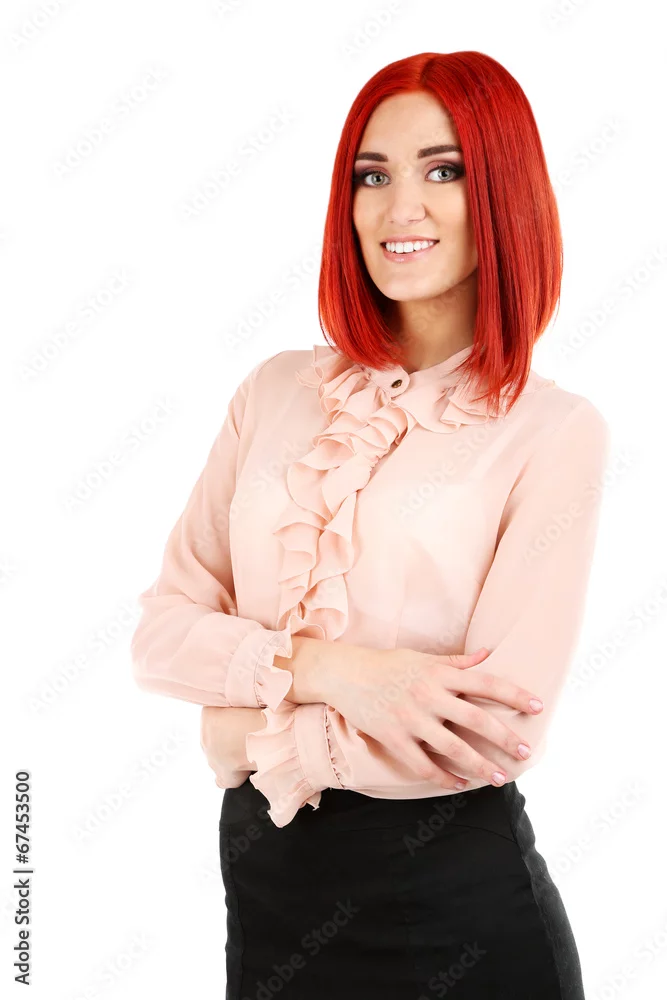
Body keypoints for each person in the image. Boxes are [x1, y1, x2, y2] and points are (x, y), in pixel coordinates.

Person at [130, 50, 609, 999]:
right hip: (268, 910)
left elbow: (494, 731)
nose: (400, 208)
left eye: (443, 170)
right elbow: (160, 636)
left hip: (460, 920)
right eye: (372, 175)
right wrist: (338, 672)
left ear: (502, 193)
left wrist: (244, 735)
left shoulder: (552, 430)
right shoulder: (272, 392)